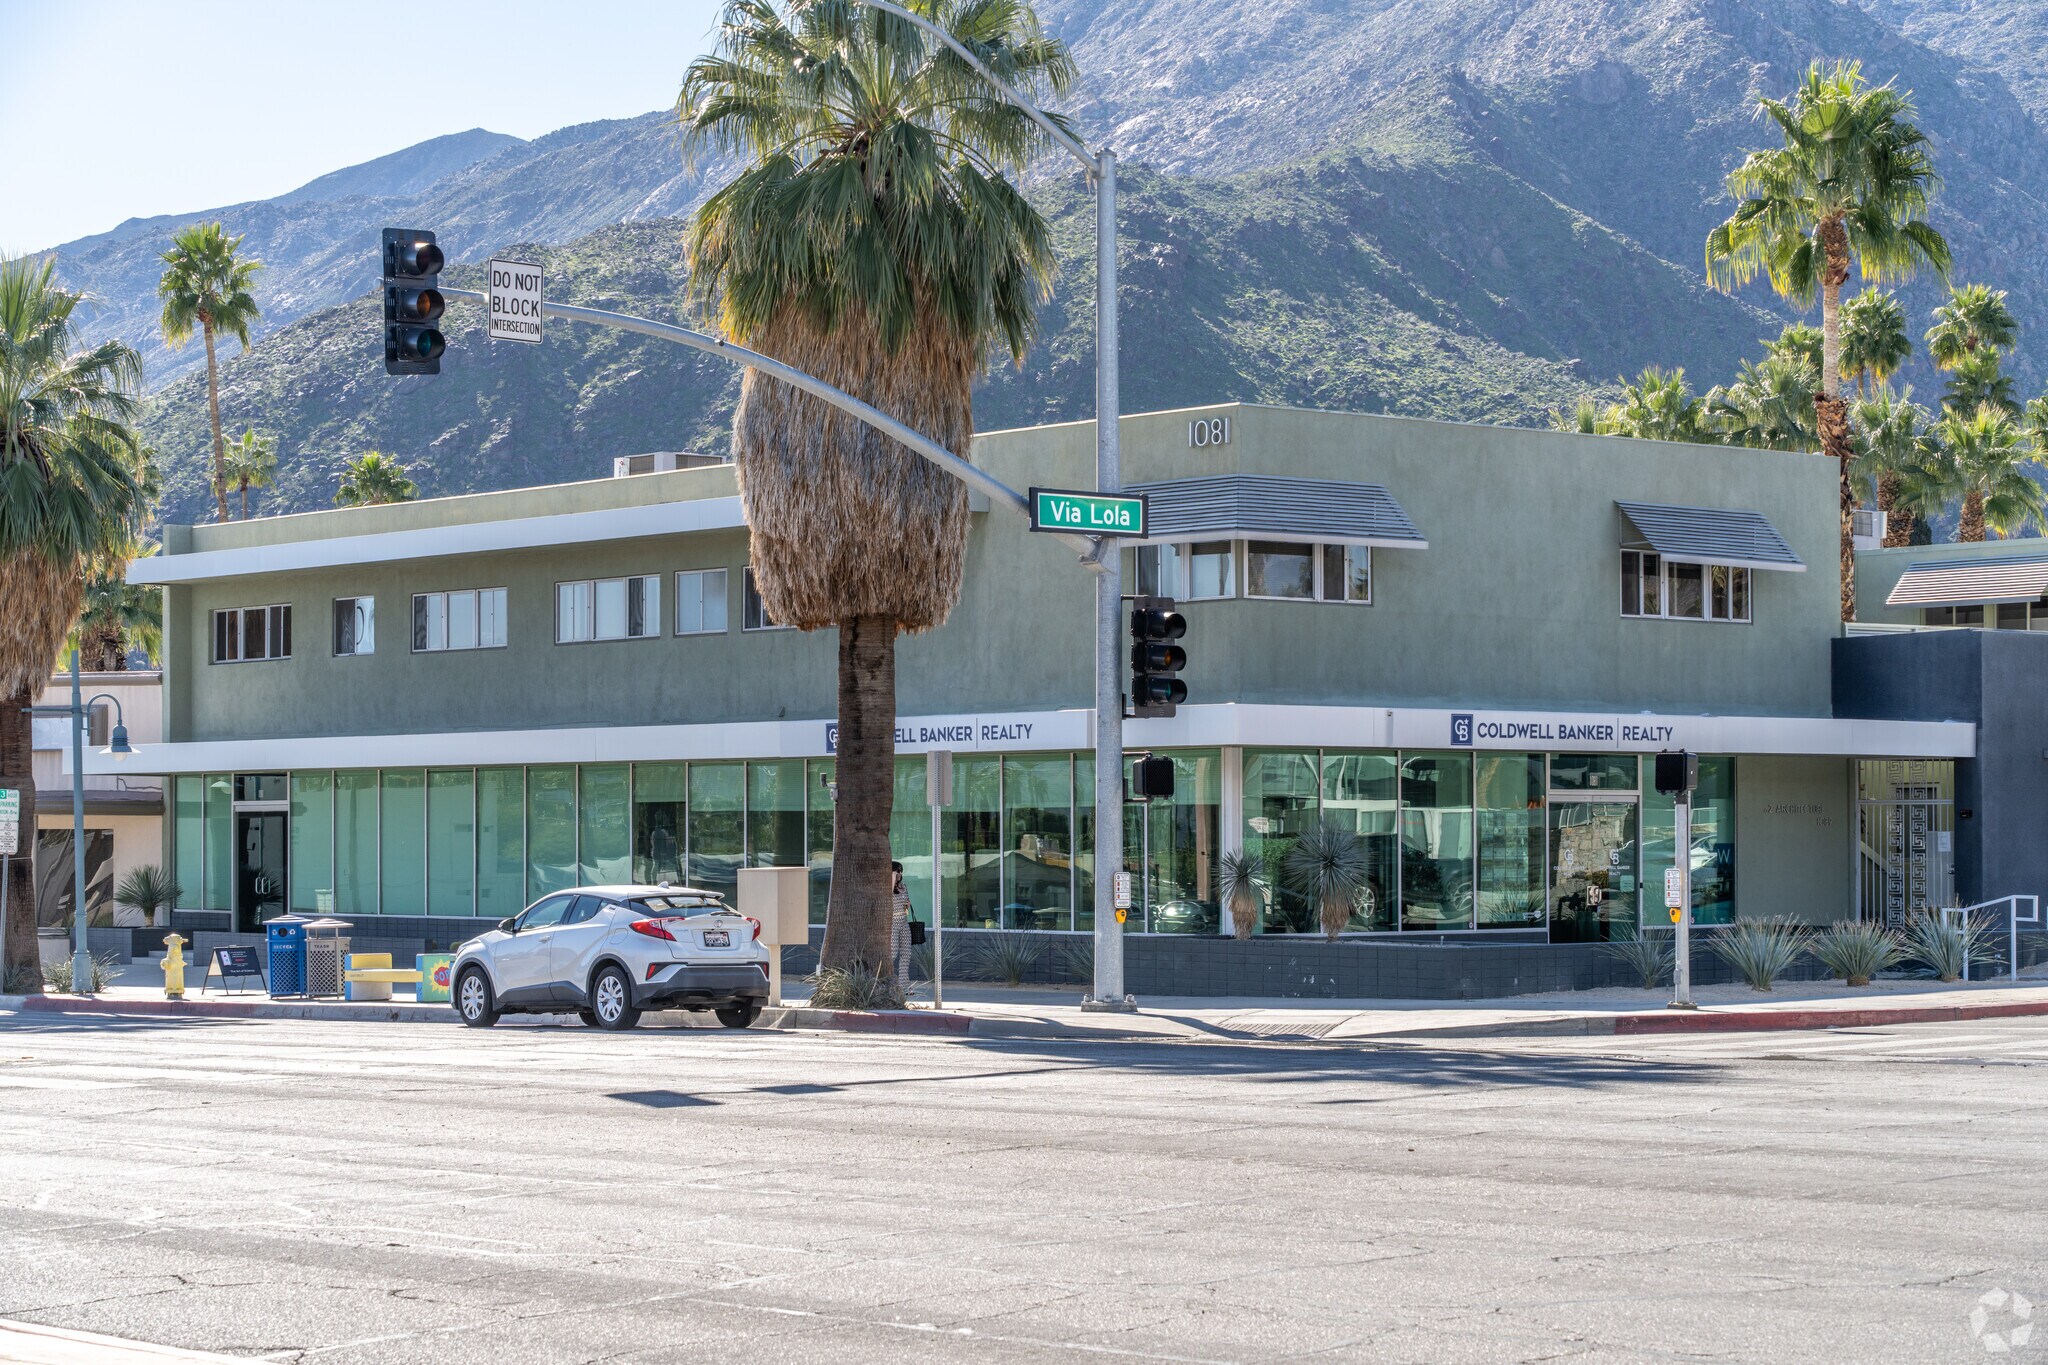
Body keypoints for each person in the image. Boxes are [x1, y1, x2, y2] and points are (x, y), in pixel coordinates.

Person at [889, 861, 913, 998]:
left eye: (900, 871)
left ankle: (905, 986)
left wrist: (907, 905)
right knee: (892, 954)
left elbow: (906, 904)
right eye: (897, 871)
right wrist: (892, 877)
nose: (899, 874)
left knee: (906, 953)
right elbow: (889, 894)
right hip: (893, 922)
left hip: (904, 921)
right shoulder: (888, 886)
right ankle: (887, 983)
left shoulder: (904, 887)